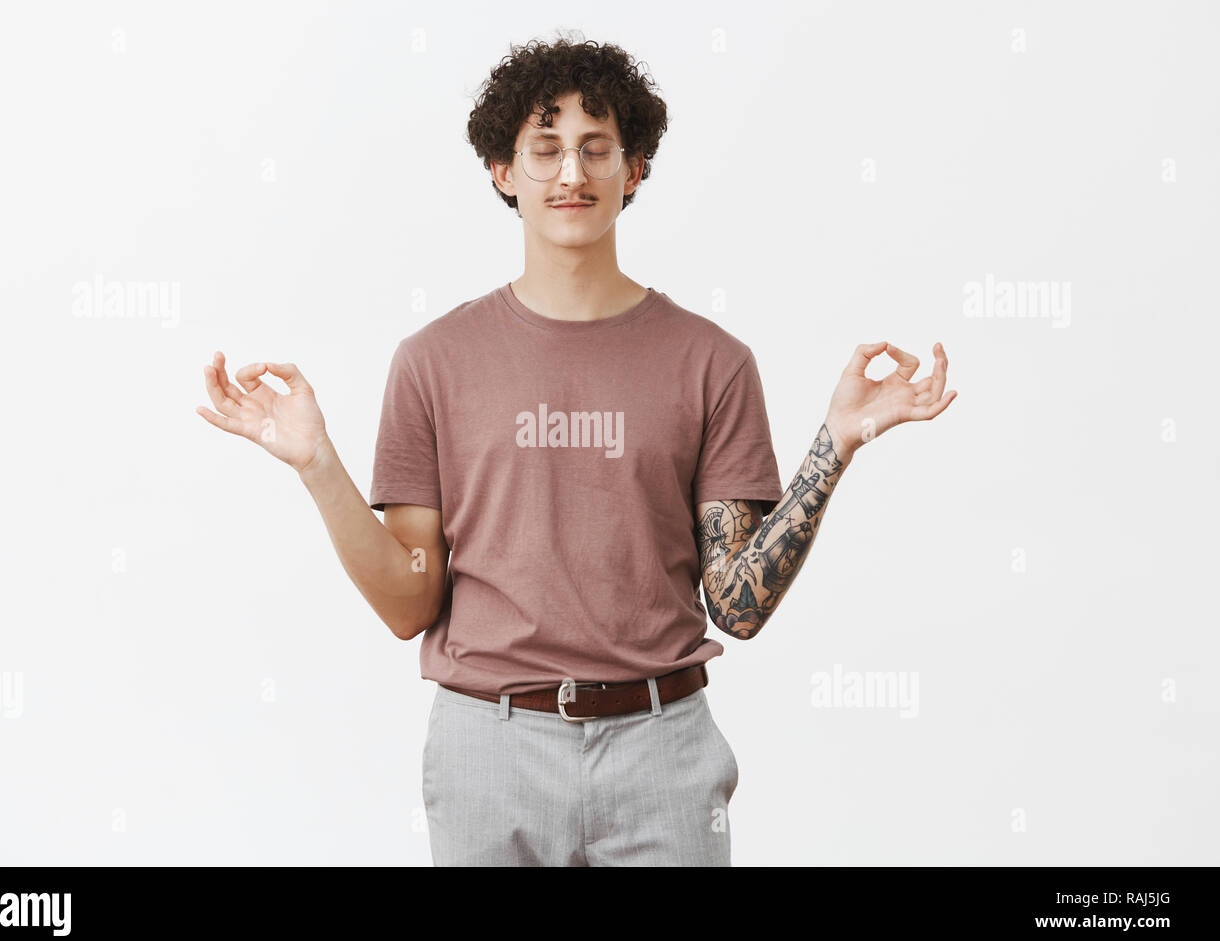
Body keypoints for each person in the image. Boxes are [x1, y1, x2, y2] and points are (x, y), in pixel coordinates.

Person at [195, 36, 957, 867]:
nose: (572, 173)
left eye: (597, 149)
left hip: (663, 752)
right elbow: (411, 605)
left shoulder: (712, 362)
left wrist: (835, 445)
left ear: (634, 171)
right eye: (545, 149)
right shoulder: (433, 361)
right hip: (490, 750)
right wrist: (319, 466)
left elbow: (737, 606)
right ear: (501, 169)